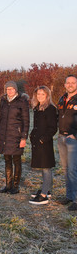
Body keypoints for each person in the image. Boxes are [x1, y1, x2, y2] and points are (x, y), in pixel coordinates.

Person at [0, 81, 30, 194]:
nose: (9, 91)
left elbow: (26, 121)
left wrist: (24, 138)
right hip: (4, 135)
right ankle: (8, 185)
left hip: (16, 136)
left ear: (15, 90)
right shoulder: (4, 101)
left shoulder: (22, 102)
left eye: (11, 89)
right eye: (7, 89)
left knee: (16, 160)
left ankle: (15, 186)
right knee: (7, 160)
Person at [29, 86, 57, 205]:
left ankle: (44, 195)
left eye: (42, 94)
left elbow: (53, 128)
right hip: (37, 142)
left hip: (44, 143)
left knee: (46, 167)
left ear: (47, 96)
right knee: (43, 166)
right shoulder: (38, 108)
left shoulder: (50, 108)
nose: (40, 96)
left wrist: (43, 139)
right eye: (38, 94)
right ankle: (47, 189)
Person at [57, 75, 77, 211]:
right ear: (64, 85)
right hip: (61, 137)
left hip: (73, 139)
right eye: (68, 82)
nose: (70, 85)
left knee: (73, 170)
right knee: (65, 169)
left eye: (73, 83)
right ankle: (69, 196)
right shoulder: (62, 98)